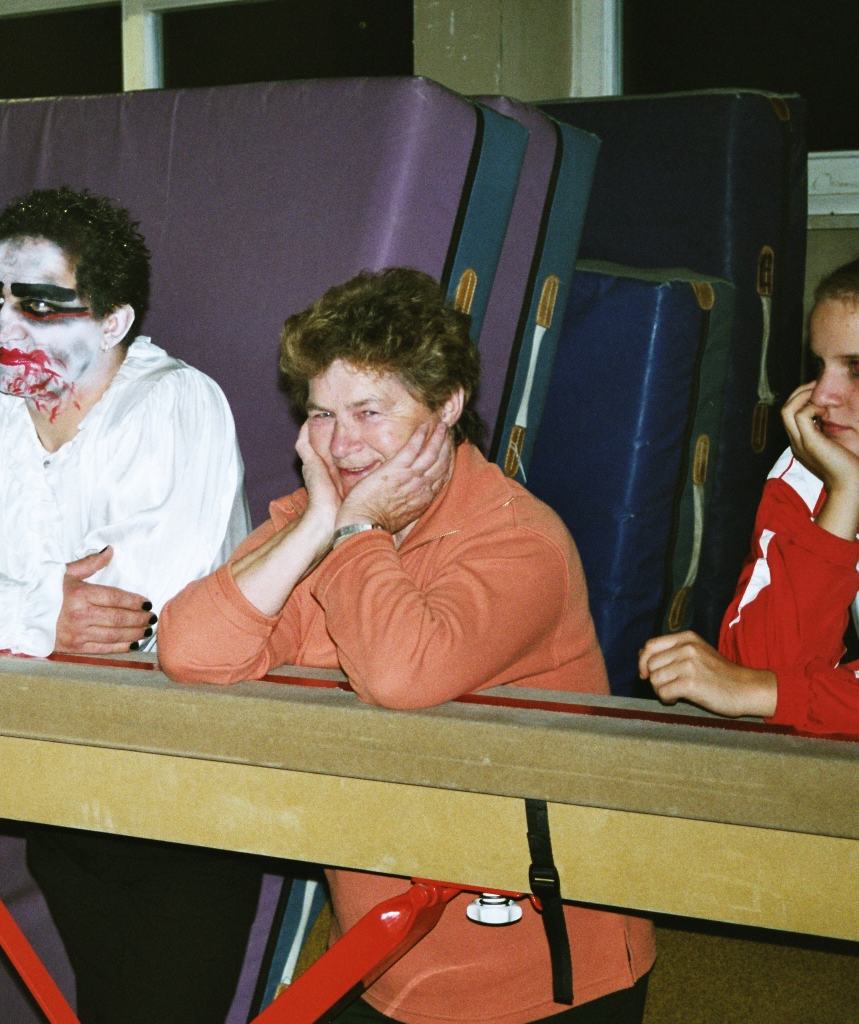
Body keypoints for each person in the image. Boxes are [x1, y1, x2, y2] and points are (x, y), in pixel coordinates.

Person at [159, 268, 654, 1024]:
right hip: (385, 957)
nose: (342, 443)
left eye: (369, 411)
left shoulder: (521, 542)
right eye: (322, 414)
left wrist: (354, 531)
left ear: (447, 404)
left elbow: (400, 673)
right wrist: (318, 524)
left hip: (537, 979)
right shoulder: (322, 523)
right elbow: (190, 650)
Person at [0, 187, 260, 1023]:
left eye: (43, 305)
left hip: (183, 797)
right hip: (53, 786)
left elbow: (134, 620)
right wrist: (38, 609)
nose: (6, 327)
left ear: (114, 322)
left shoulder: (178, 405)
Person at [641, 256, 859, 735]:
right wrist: (845, 497)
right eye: (819, 366)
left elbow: (760, 689)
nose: (822, 396)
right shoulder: (813, 467)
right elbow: (764, 667)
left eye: (856, 368)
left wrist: (769, 693)